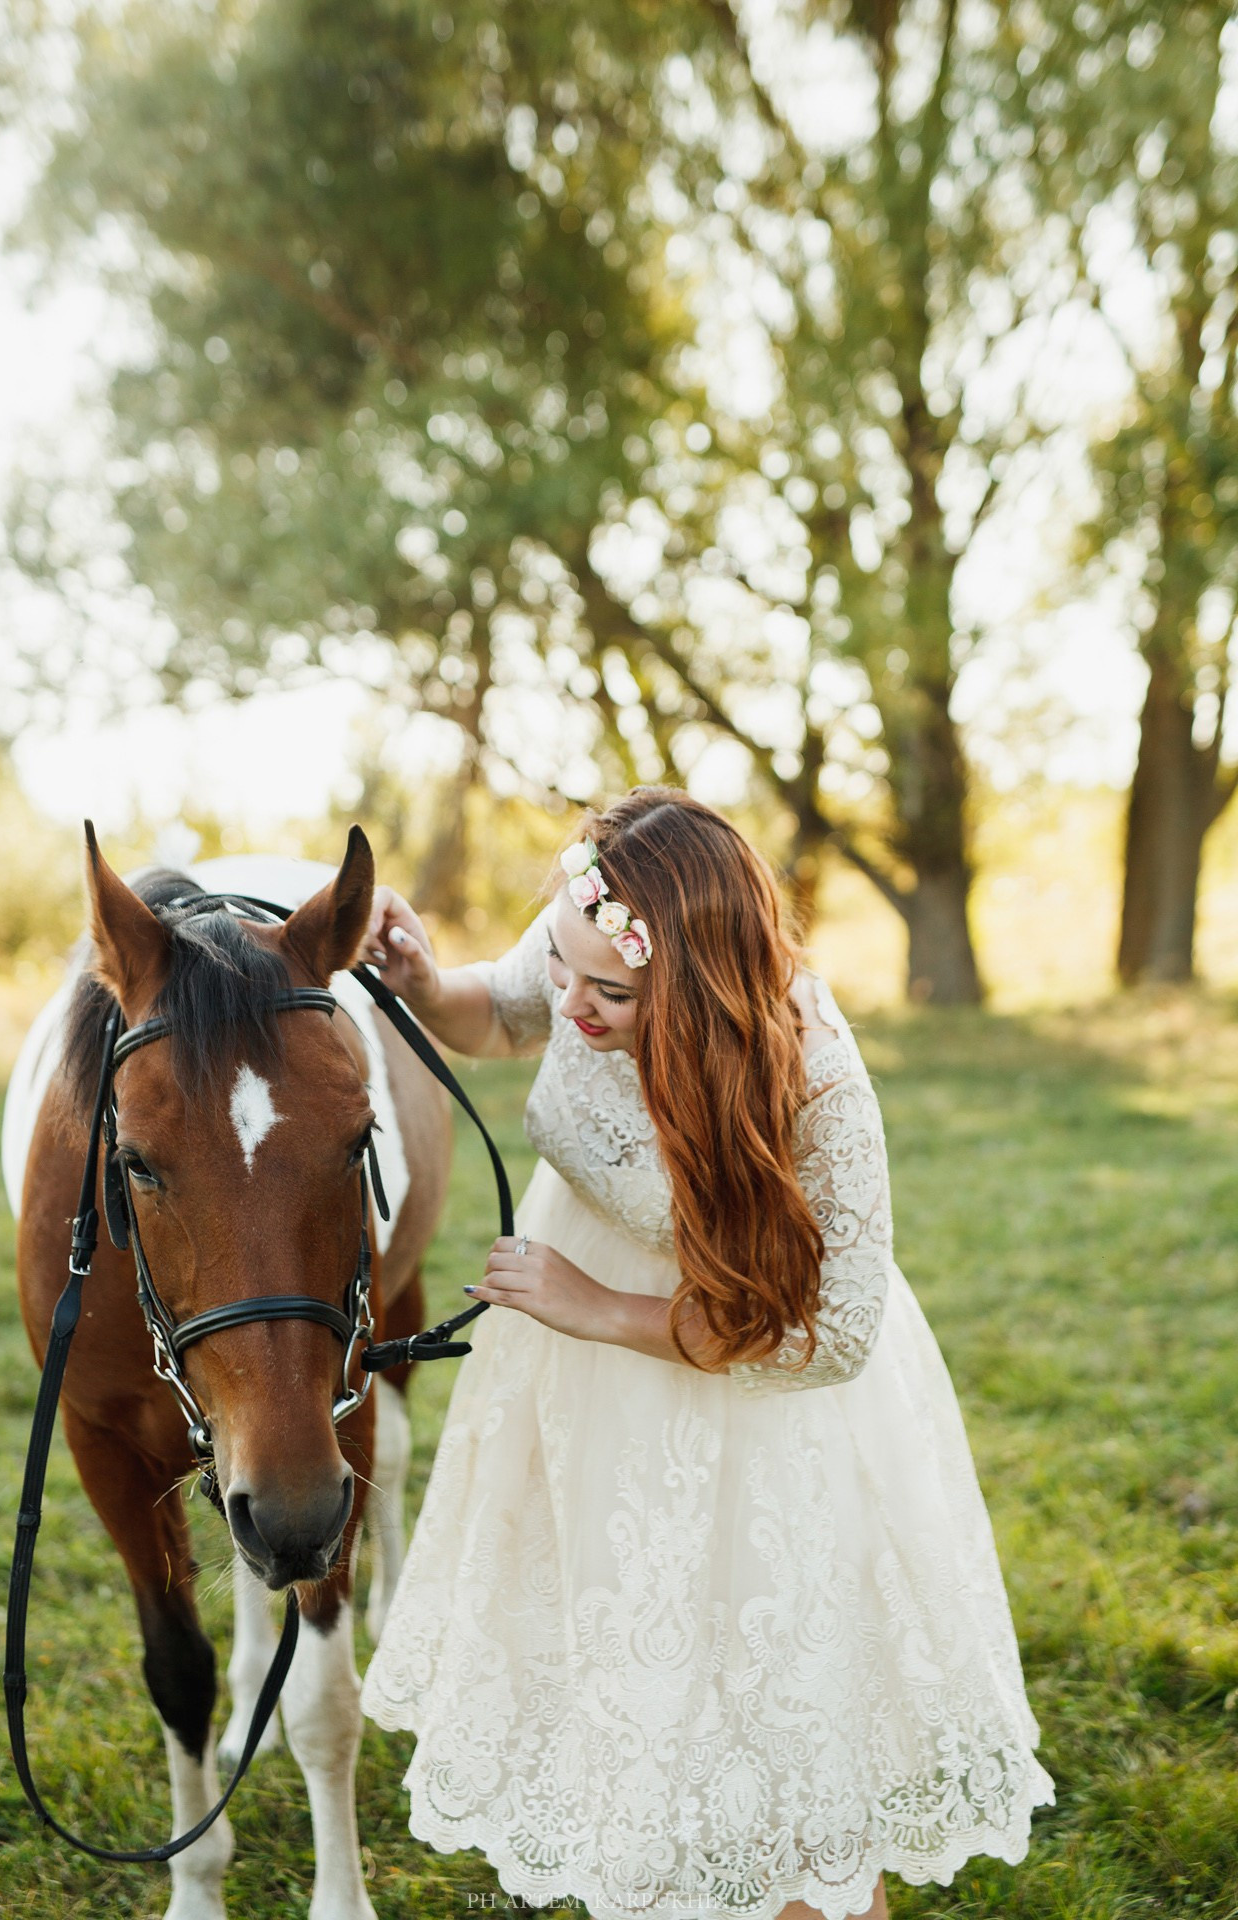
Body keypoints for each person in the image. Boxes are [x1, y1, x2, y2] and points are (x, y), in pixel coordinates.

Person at [356, 787, 1053, 1920]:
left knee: (768, 1730)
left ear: (697, 982)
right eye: (565, 968)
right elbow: (505, 1010)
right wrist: (429, 984)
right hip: (586, 1401)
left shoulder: (814, 1078)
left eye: (610, 993)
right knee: (623, 1683)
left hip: (755, 1405)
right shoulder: (599, 921)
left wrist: (600, 1310)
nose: (570, 1002)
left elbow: (827, 1338)